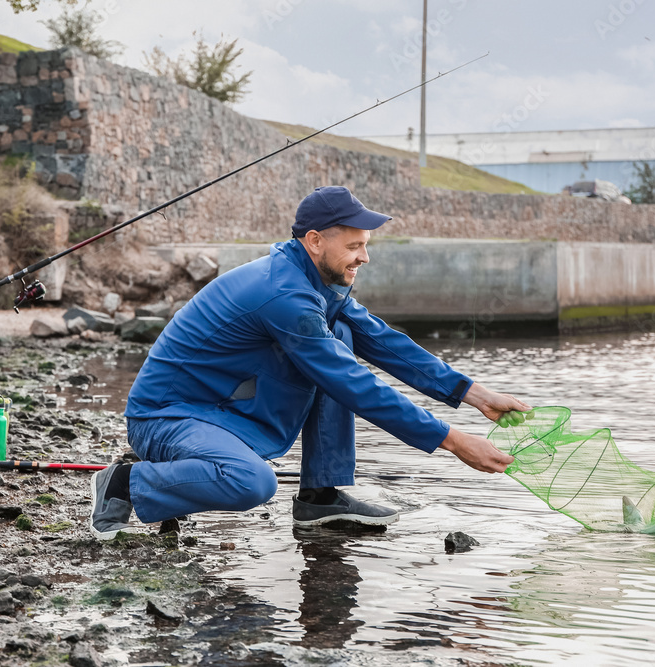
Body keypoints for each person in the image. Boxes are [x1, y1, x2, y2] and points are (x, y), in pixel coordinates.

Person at [89, 186, 531, 539]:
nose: (365, 256)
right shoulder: (285, 295)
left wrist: (473, 393)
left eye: (366, 245)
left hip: (223, 410)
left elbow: (382, 340)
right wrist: (452, 441)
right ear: (315, 241)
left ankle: (319, 496)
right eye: (355, 245)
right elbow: (351, 382)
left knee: (342, 335)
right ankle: (126, 485)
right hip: (166, 418)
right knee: (252, 483)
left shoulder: (312, 280)